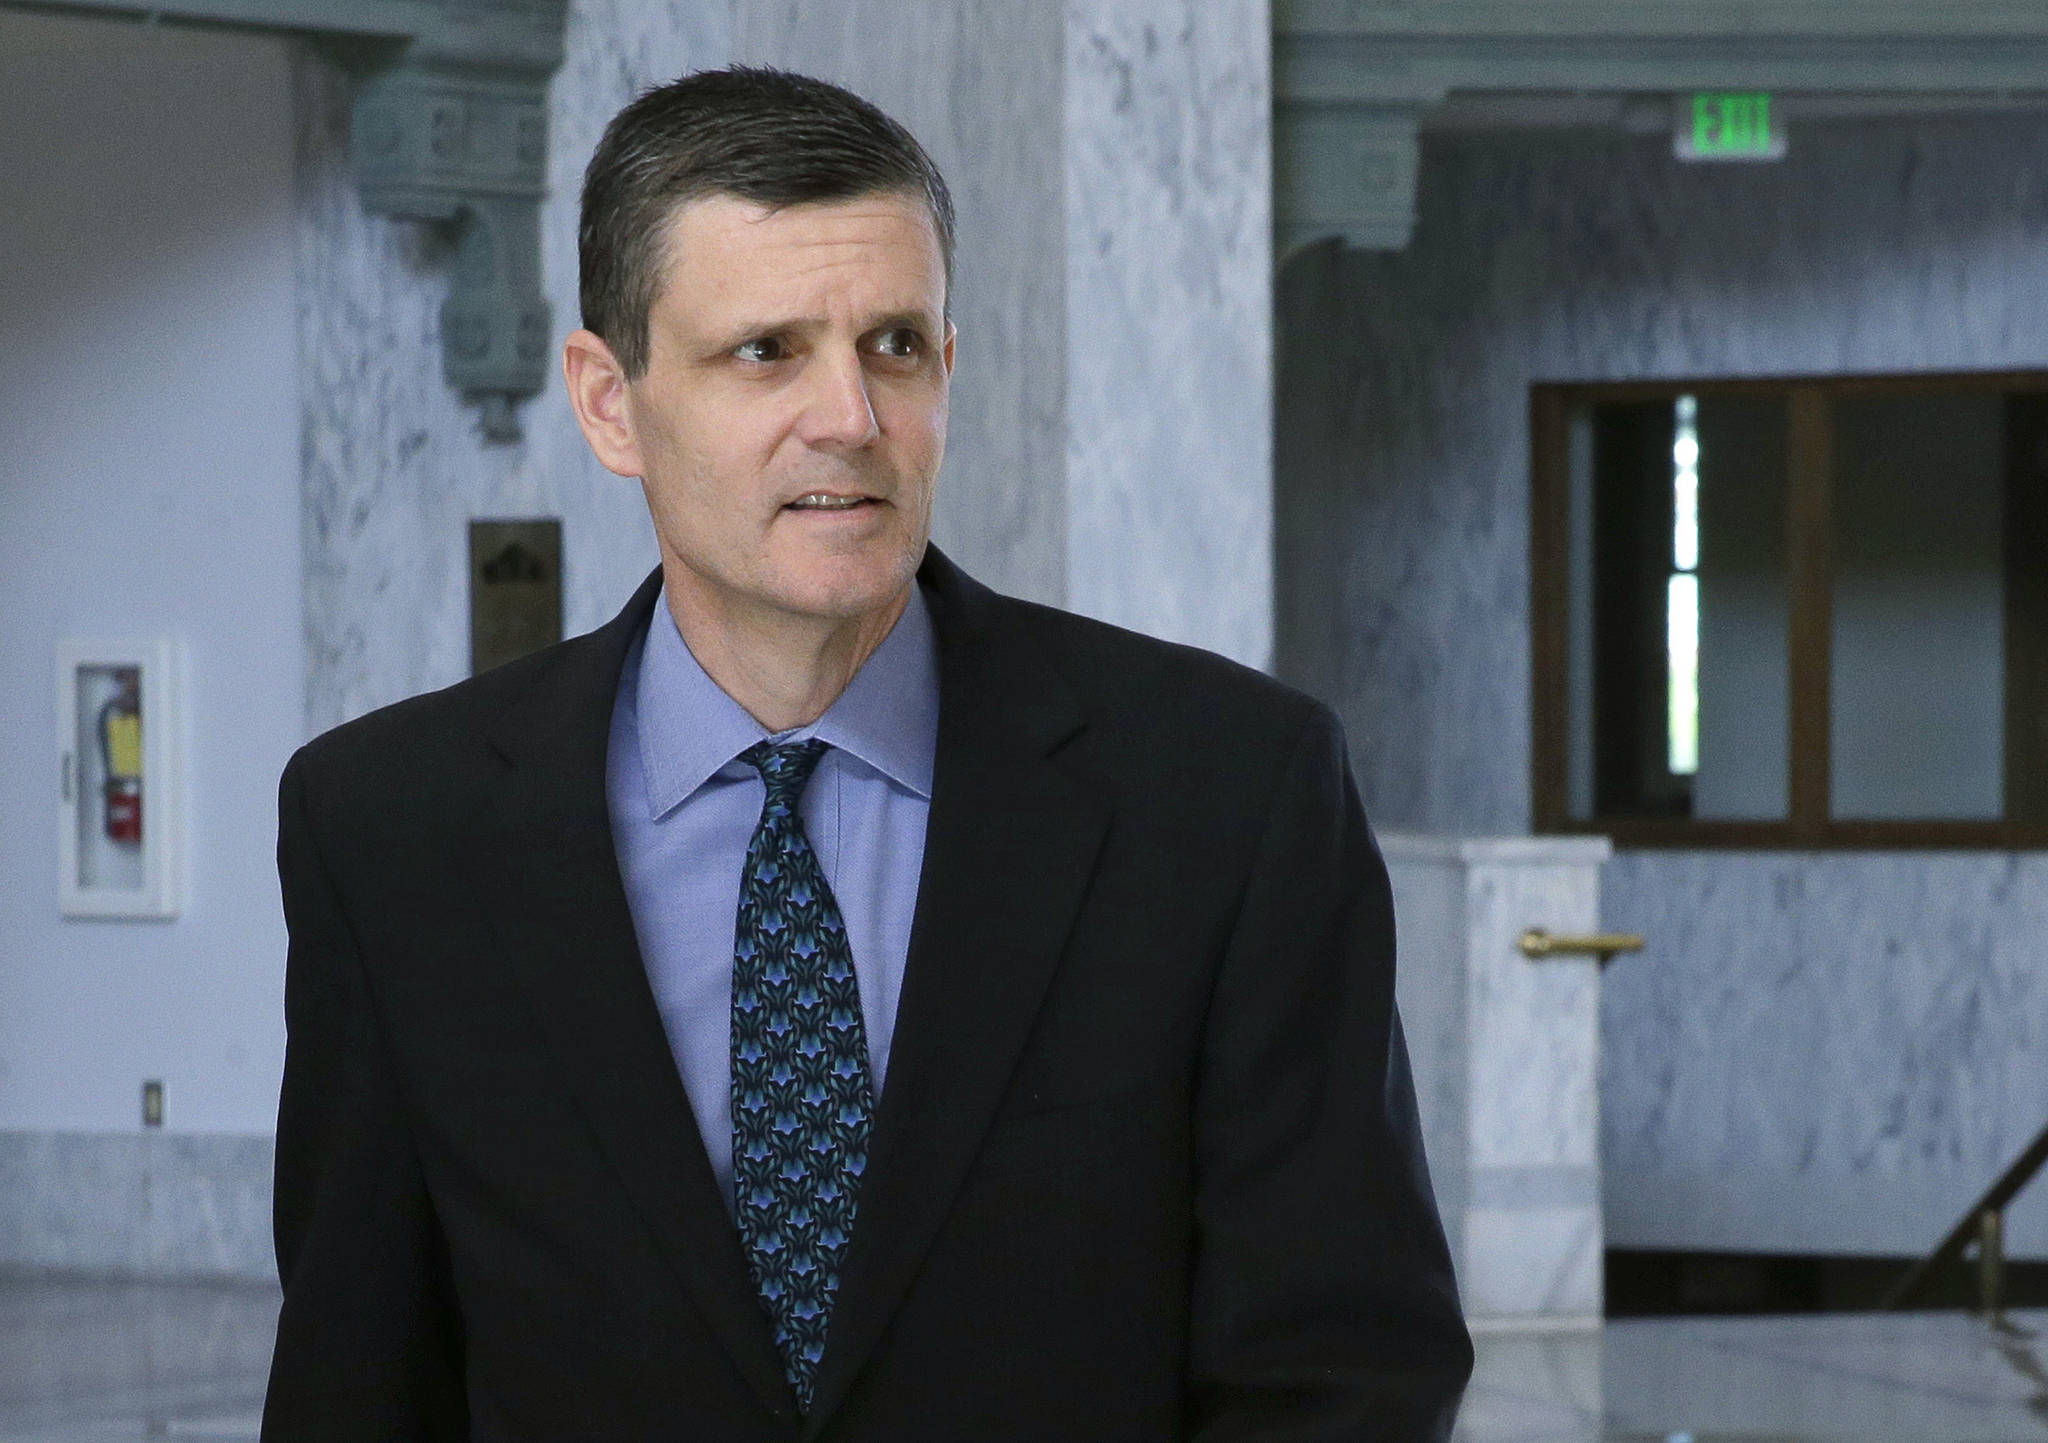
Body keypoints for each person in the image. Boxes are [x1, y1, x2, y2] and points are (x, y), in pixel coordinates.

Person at [261, 66, 1472, 1442]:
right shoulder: (394, 830)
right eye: (766, 350)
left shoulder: (1230, 790)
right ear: (610, 402)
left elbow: (1345, 1378)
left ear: (947, 370)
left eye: (894, 345)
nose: (850, 417)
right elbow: (357, 1387)